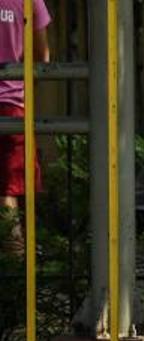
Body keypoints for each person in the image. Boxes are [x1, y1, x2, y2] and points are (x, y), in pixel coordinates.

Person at [0, 0, 50, 238]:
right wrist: (25, 89)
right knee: (10, 189)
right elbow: (42, 56)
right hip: (13, 104)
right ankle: (17, 266)